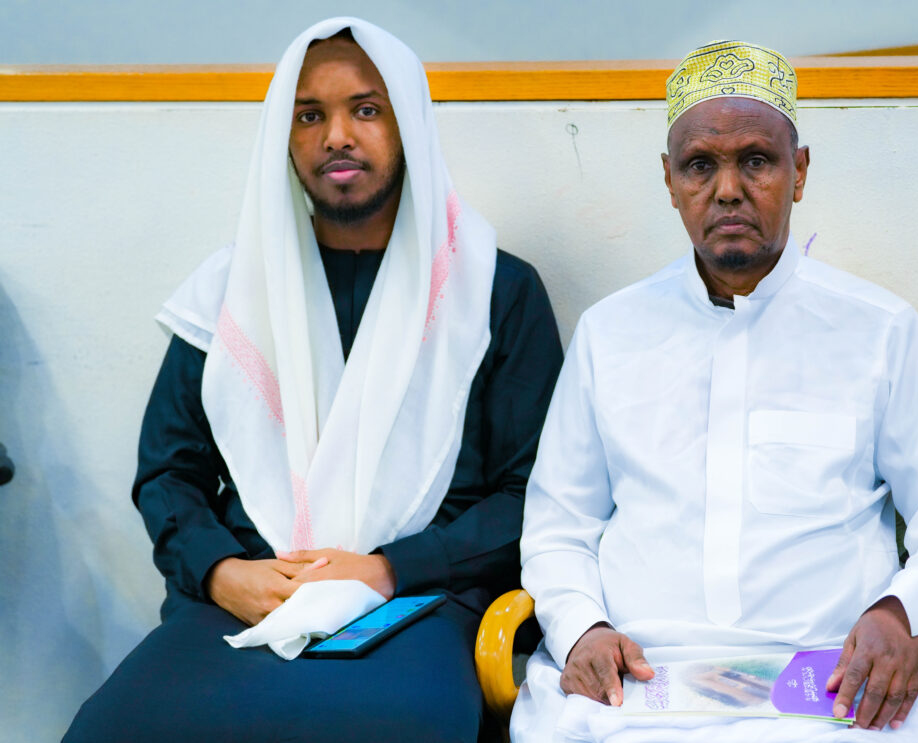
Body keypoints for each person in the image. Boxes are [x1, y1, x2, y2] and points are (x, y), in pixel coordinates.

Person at [64, 17, 562, 743]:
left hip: (421, 598)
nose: (337, 136)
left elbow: (530, 496)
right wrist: (220, 571)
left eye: (366, 109)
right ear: (285, 138)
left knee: (407, 726)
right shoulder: (234, 291)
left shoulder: (493, 290)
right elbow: (168, 472)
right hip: (248, 595)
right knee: (111, 728)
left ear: (410, 125)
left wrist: (386, 569)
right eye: (309, 116)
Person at [510, 41, 918, 743]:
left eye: (755, 160)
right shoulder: (609, 333)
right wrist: (582, 627)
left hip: (831, 690)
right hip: (637, 689)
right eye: (700, 165)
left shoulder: (880, 331)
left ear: (798, 172)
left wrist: (901, 613)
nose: (727, 189)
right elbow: (559, 526)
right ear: (669, 180)